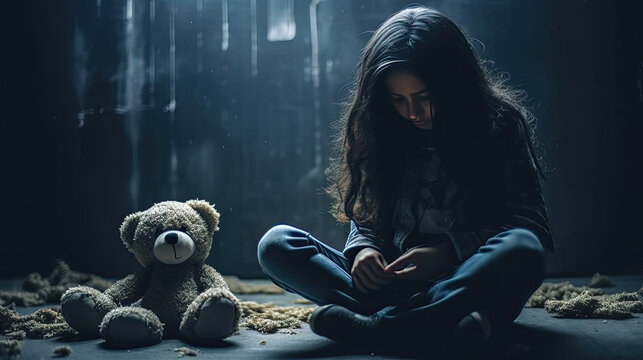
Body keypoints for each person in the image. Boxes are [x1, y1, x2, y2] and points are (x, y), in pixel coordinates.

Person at [257, 5, 553, 356]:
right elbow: (368, 218)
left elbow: (531, 224)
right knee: (277, 245)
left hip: (467, 283)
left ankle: (381, 328)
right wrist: (365, 249)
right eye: (398, 100)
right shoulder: (383, 131)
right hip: (393, 287)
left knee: (523, 246)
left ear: (455, 85)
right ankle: (433, 327)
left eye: (424, 97)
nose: (412, 112)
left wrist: (449, 253)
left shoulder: (500, 126)